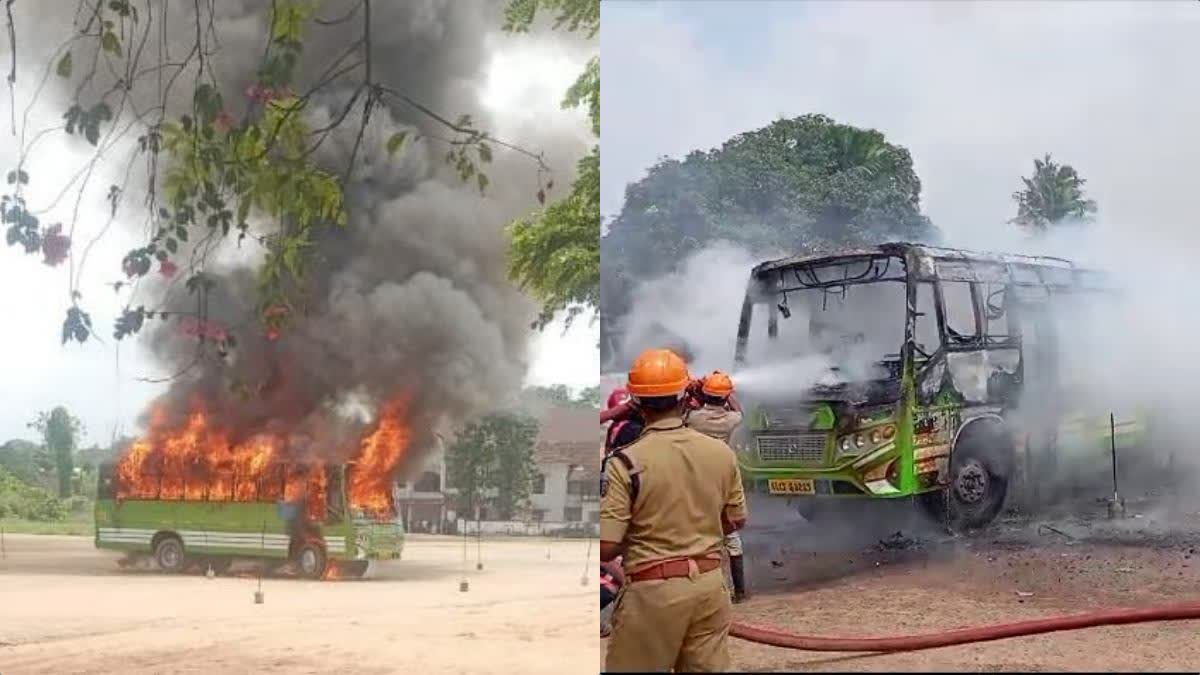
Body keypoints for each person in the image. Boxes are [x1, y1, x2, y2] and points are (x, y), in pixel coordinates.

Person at [600, 348, 748, 672]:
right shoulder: (721, 455)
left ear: (636, 403)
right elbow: (736, 519)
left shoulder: (625, 462)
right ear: (685, 396)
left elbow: (606, 546)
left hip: (652, 595)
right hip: (709, 588)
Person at [684, 370, 750, 603]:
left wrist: (697, 390)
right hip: (723, 476)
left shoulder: (693, 418)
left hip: (695, 477)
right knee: (731, 534)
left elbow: (686, 409)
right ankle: (740, 591)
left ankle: (700, 588)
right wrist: (730, 392)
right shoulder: (733, 420)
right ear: (725, 397)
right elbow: (740, 411)